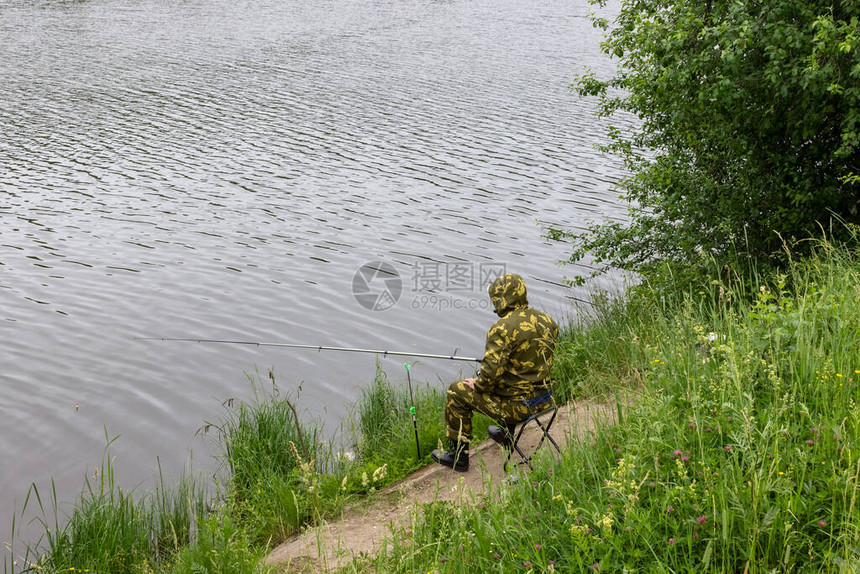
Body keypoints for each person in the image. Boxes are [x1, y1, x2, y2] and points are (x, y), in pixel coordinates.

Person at [431, 273, 559, 472]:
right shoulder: (547, 320)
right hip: (545, 399)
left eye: (495, 300)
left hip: (519, 408)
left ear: (502, 299)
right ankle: (506, 436)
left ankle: (459, 458)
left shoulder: (501, 328)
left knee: (456, 390)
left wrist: (478, 383)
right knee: (509, 382)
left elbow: (490, 375)